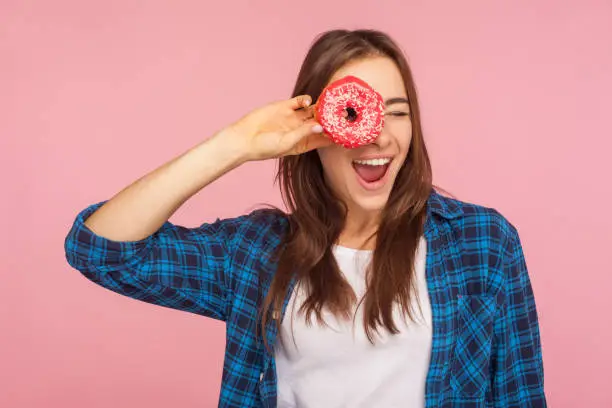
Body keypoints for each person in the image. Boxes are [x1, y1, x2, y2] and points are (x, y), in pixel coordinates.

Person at [64, 29, 546, 408]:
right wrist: (235, 144)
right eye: (358, 113)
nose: (378, 137)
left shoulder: (482, 244)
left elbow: (520, 398)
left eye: (396, 113)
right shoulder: (258, 252)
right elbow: (101, 251)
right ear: (316, 131)